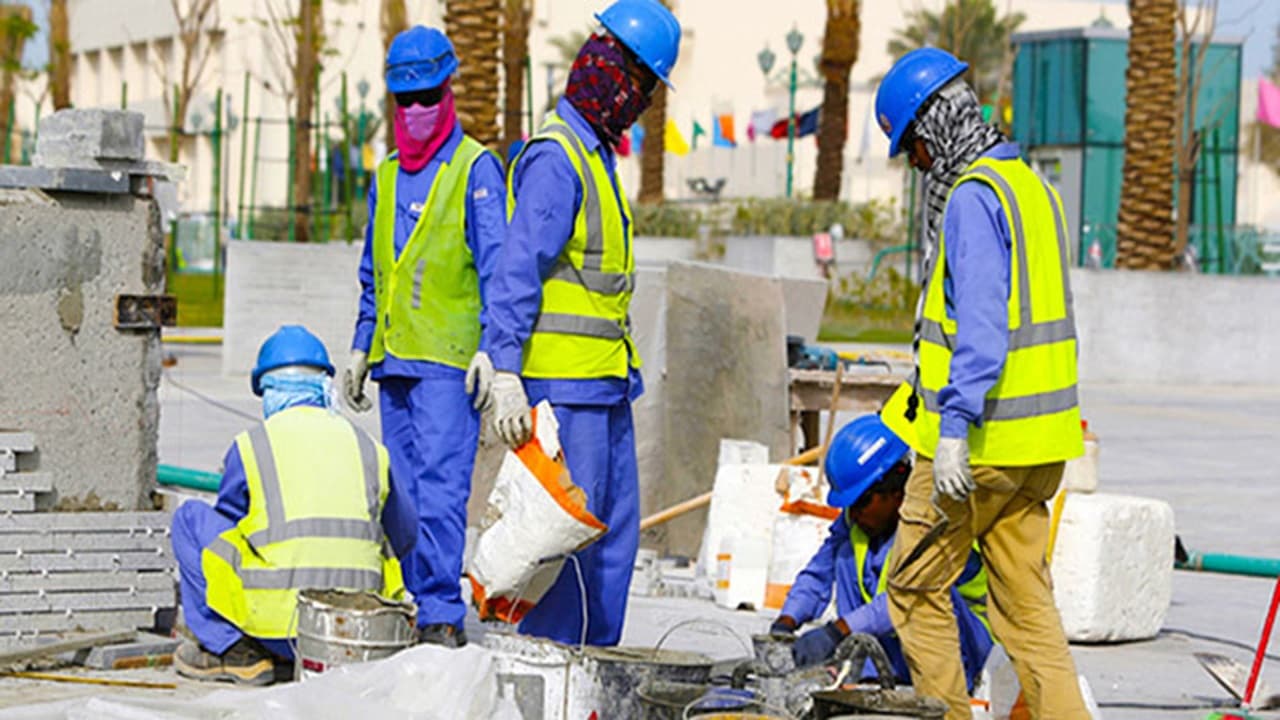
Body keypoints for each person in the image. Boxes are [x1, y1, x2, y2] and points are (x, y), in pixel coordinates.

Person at [874, 47, 1088, 719]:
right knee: (1025, 607)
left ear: (935, 127)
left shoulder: (974, 197)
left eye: (914, 146)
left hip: (978, 446)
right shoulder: (1033, 188)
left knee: (911, 585)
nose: (916, 165)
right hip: (1038, 447)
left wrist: (955, 432)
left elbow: (984, 329)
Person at [469, 0, 681, 646]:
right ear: (613, 73)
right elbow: (517, 270)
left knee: (611, 543)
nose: (642, 101)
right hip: (563, 393)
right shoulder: (558, 158)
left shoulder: (594, 157)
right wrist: (505, 367)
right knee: (567, 545)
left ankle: (597, 668)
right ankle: (558, 675)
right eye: (641, 84)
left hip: (606, 387)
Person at [341, 25, 506, 647]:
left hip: (448, 363)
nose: (414, 111)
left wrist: (496, 349)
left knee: (440, 492)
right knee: (403, 497)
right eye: (403, 101)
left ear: (448, 91)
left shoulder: (475, 169)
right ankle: (416, 599)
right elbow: (374, 271)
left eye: (426, 97)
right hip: (395, 362)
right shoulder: (385, 177)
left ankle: (441, 613)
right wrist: (361, 345)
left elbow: (497, 269)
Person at [171, 325, 416, 685]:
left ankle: (234, 651)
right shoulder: (368, 447)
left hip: (276, 627)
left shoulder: (253, 445)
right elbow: (407, 533)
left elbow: (228, 531)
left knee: (190, 519)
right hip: (350, 630)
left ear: (268, 390)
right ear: (323, 386)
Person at [771, 415, 992, 689]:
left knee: (924, 591)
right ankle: (863, 672)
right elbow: (819, 574)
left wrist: (836, 632)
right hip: (897, 638)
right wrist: (786, 623)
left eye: (862, 502)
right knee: (843, 558)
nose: (855, 513)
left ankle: (938, 683)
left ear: (895, 490)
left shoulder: (936, 519)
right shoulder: (857, 522)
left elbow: (908, 598)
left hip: (962, 642)